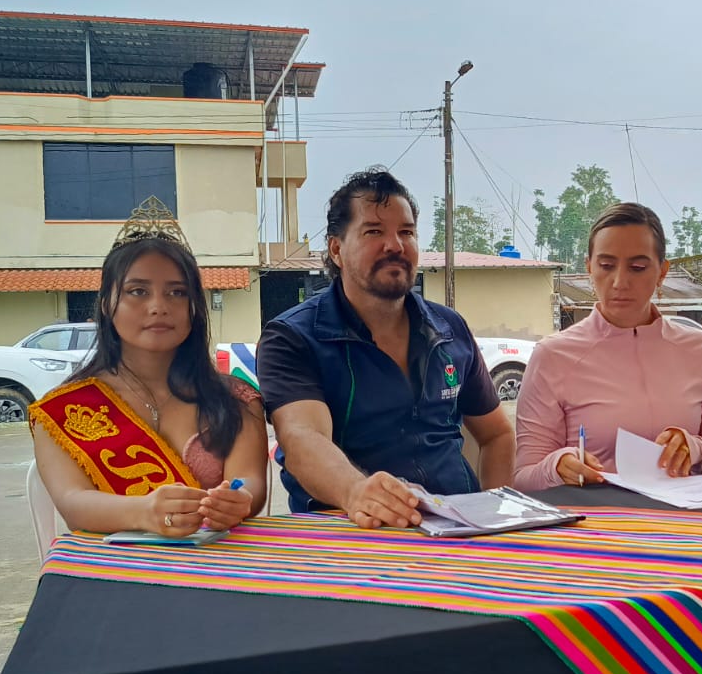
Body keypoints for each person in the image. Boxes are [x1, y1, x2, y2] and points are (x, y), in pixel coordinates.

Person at [257, 168, 515, 526]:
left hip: (457, 532)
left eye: (406, 232)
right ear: (336, 249)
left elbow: (497, 434)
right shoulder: (293, 337)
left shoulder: (449, 328)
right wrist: (355, 492)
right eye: (374, 231)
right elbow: (303, 439)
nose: (395, 245)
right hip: (354, 535)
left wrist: (493, 517)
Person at [30, 201, 268, 537]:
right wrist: (145, 512)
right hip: (111, 566)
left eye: (177, 292)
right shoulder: (65, 410)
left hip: (216, 562)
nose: (158, 306)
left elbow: (250, 482)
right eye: (137, 291)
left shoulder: (236, 399)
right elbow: (73, 503)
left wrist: (239, 500)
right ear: (106, 304)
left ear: (194, 306)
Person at [513, 202, 702, 489]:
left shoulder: (700, 349)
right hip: (597, 514)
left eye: (637, 267)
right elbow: (524, 477)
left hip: (686, 513)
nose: (620, 282)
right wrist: (557, 466)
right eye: (606, 266)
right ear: (589, 268)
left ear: (662, 272)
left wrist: (697, 450)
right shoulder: (553, 355)